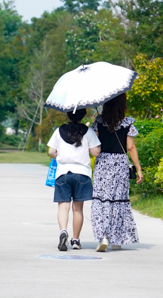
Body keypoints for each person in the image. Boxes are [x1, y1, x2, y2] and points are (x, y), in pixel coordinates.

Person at [90, 93, 143, 252]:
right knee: (118, 199)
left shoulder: (98, 122)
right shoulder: (128, 123)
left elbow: (95, 148)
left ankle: (102, 237)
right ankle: (117, 239)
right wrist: (138, 168)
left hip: (103, 163)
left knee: (101, 200)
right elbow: (131, 148)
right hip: (120, 163)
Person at [47, 108, 101, 251]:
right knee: (78, 209)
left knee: (63, 207)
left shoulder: (59, 131)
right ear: (83, 115)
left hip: (63, 173)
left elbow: (51, 151)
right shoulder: (88, 131)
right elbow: (96, 152)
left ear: (68, 114)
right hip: (82, 174)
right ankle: (76, 240)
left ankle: (63, 231)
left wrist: (59, 155)